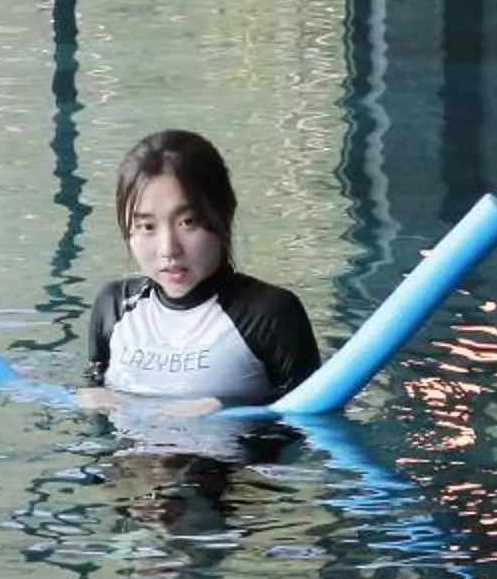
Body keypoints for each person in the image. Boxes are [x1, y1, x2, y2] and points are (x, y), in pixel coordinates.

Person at [77, 130, 322, 417]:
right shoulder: (114, 306)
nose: (168, 249)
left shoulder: (269, 314)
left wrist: (226, 408)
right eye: (147, 227)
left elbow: (312, 413)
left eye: (188, 222)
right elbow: (95, 380)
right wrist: (90, 392)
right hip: (129, 461)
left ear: (224, 215)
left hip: (230, 461)